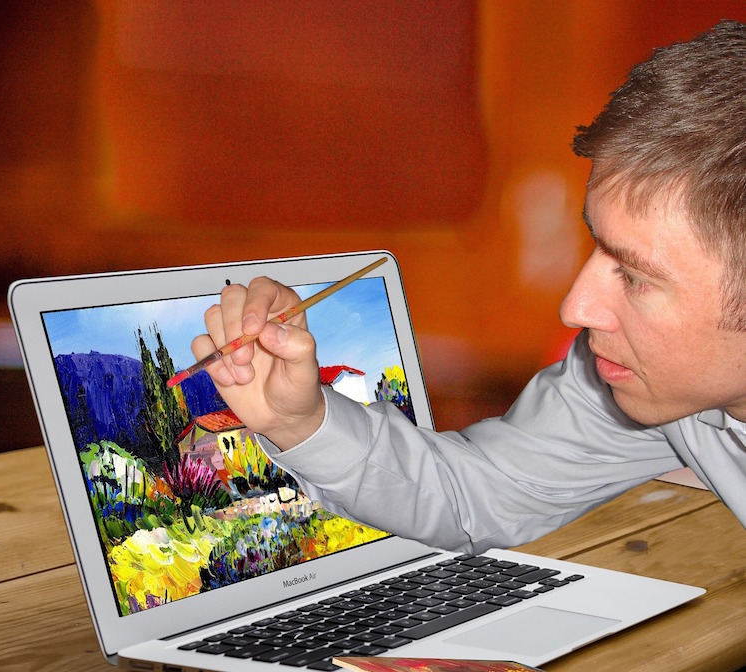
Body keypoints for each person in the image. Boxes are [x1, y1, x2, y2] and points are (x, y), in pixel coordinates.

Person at [192, 20, 746, 553]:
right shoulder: (648, 382)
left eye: (634, 276)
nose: (575, 308)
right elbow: (482, 491)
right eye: (594, 245)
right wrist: (302, 421)